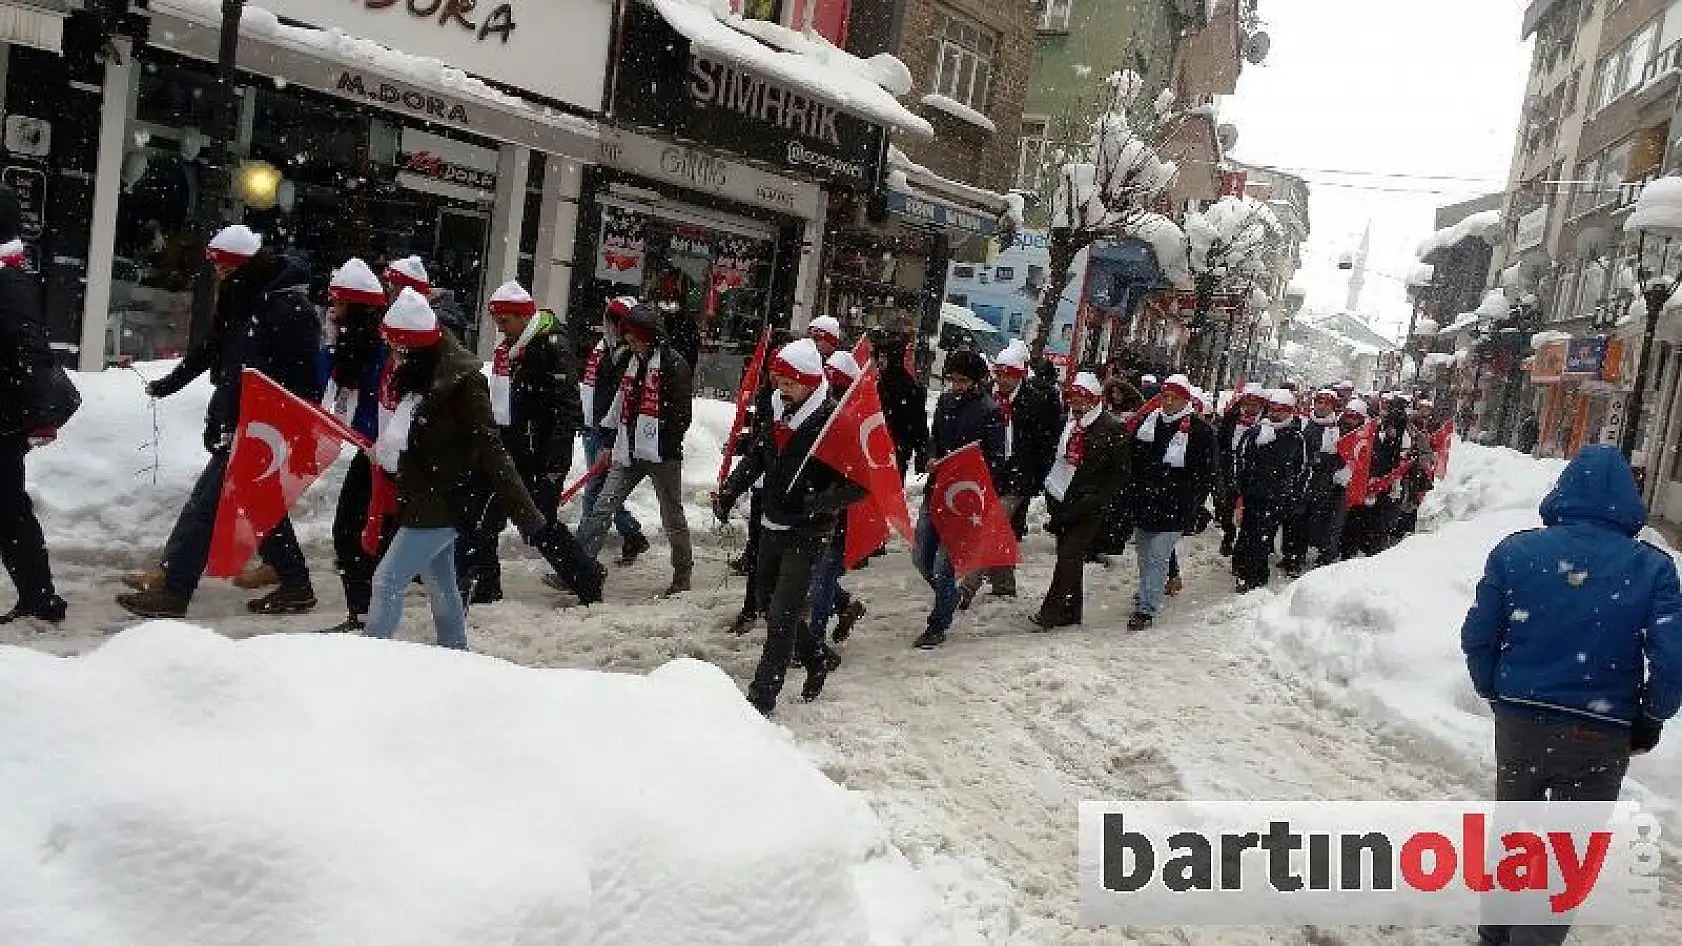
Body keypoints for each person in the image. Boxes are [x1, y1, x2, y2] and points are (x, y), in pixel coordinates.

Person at [1461, 445, 1682, 946]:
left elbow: (1478, 634)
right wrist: (1651, 716)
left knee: (1513, 829)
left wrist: (1493, 688)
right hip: (1598, 729)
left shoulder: (1517, 552)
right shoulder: (1652, 568)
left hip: (1521, 717)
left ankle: (1494, 936)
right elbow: (1672, 658)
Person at [118, 226, 323, 620]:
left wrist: (291, 430)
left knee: (206, 507)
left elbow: (304, 380)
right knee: (257, 504)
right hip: (236, 418)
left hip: (262, 426)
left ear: (247, 265)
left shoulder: (288, 308)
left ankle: (174, 591)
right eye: (216, 267)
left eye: (225, 268)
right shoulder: (241, 296)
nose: (219, 275)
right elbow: (212, 348)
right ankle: (296, 584)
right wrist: (172, 383)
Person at [362, 290, 553, 649]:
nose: (393, 356)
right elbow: (410, 434)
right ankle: (455, 652)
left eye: (397, 348)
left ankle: (373, 661)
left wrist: (527, 513)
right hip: (425, 496)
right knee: (442, 584)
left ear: (414, 345)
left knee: (387, 581)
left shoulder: (463, 382)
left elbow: (493, 451)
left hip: (443, 501)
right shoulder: (422, 372)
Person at [715, 339, 866, 714]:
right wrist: (732, 488)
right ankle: (817, 658)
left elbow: (858, 484)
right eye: (778, 381)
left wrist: (816, 503)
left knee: (782, 614)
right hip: (771, 522)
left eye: (791, 383)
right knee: (767, 603)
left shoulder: (833, 421)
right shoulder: (776, 409)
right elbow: (758, 457)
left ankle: (762, 698)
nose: (783, 390)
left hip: (809, 530)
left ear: (812, 383)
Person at [466, 280, 596, 604]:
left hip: (539, 457)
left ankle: (588, 578)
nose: (501, 329)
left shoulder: (552, 347)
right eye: (497, 322)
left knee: (540, 525)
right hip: (509, 450)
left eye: (505, 321)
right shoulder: (512, 349)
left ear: (524, 317)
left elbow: (568, 410)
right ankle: (486, 587)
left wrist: (554, 467)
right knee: (484, 518)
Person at [576, 302, 695, 596]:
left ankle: (682, 574)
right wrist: (610, 439)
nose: (631, 343)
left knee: (672, 517)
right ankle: (576, 567)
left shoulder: (673, 365)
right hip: (628, 450)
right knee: (603, 505)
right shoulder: (631, 362)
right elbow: (618, 403)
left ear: (650, 336)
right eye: (627, 338)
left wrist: (657, 439)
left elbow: (682, 416)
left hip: (662, 455)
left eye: (635, 338)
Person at [0, 186, 68, 625]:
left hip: (3, 415)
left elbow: (27, 350)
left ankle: (41, 599)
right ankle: (40, 597)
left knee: (8, 511)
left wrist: (39, 416)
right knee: (8, 511)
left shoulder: (8, 282)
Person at [912, 349, 1005, 649]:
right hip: (936, 490)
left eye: (962, 380)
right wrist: (931, 457)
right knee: (921, 558)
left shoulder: (989, 410)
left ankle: (938, 624)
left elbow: (994, 459)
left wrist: (965, 466)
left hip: (963, 500)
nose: (955, 386)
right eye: (951, 379)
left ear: (977, 381)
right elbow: (934, 436)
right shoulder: (945, 401)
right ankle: (949, 596)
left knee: (943, 566)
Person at [959, 339, 1062, 610]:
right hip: (988, 472)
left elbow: (1046, 443)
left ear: (1020, 375)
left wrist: (1037, 477)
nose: (1003, 380)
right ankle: (1004, 583)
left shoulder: (1036, 401)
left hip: (1018, 477)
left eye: (1009, 375)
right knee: (1000, 529)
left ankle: (967, 587)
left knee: (990, 528)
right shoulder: (987, 397)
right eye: (999, 374)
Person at [320, 257, 393, 633]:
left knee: (363, 534)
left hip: (387, 454)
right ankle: (365, 614)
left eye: (341, 304)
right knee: (355, 532)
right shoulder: (353, 344)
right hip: (369, 451)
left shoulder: (382, 347)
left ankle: (370, 616)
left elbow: (381, 399)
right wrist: (330, 344)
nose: (334, 311)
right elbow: (326, 388)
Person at [1033, 371, 1128, 630]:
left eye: (1082, 397)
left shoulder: (1112, 427)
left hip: (1089, 505)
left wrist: (1098, 498)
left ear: (1095, 400)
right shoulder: (1066, 423)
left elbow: (1119, 472)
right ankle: (1072, 611)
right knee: (1069, 558)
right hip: (1062, 499)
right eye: (1072, 397)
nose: (1076, 402)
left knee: (1068, 557)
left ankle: (1050, 613)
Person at [1126, 374, 1216, 630]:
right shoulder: (1148, 423)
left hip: (1175, 505)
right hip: (1145, 500)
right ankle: (1148, 589)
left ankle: (1147, 608)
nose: (1167, 402)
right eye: (1164, 396)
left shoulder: (1200, 432)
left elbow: (1205, 473)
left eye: (1172, 398)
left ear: (1184, 400)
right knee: (1144, 555)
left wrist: (1194, 504)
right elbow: (1134, 460)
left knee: (1157, 555)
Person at [577, 296, 648, 564]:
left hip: (611, 432)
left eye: (619, 320)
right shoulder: (603, 347)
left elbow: (622, 399)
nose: (612, 325)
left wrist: (612, 438)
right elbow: (592, 386)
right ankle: (632, 533)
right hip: (593, 425)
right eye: (611, 318)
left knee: (596, 492)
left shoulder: (631, 355)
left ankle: (581, 557)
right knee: (605, 492)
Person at [806, 350, 870, 644]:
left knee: (819, 584)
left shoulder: (852, 425)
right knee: (818, 578)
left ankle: (815, 642)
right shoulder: (814, 414)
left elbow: (857, 482)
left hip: (836, 517)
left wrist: (827, 500)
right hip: (811, 509)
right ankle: (845, 606)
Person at [1231, 389, 1307, 593]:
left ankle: (1255, 576)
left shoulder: (1296, 437)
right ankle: (1242, 568)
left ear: (1290, 411)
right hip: (1252, 494)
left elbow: (1301, 468)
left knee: (1263, 537)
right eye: (1272, 409)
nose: (1276, 414)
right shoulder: (1255, 433)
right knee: (1248, 533)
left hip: (1276, 497)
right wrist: (1240, 489)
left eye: (1281, 410)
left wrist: (1291, 493)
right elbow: (1241, 459)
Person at [1280, 389, 1350, 576]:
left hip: (1321, 484)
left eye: (1327, 403)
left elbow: (1342, 456)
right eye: (1319, 402)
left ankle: (1298, 556)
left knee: (1309, 522)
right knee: (1292, 519)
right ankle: (1289, 555)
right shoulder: (1302, 422)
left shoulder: (1337, 429)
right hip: (1299, 480)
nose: (1322, 406)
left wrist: (1325, 465)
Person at [1214, 383, 1263, 556]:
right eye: (1248, 404)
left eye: (1255, 405)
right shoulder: (1231, 417)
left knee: (1249, 510)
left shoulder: (1265, 423)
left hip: (1252, 472)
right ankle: (1228, 536)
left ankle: (1244, 543)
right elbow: (1220, 441)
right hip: (1230, 467)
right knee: (1227, 507)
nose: (1251, 408)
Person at [877, 334, 930, 480]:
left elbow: (918, 423)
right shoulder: (879, 382)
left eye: (884, 357)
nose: (880, 361)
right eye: (879, 356)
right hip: (875, 445)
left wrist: (921, 454)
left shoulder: (910, 387)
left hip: (897, 448)